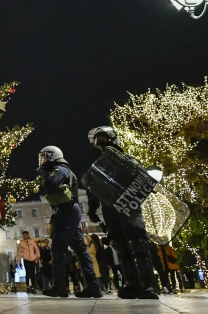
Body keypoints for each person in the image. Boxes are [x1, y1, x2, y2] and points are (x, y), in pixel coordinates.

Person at [86, 127, 159, 299]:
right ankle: (131, 283)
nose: (98, 144)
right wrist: (92, 209)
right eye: (96, 140)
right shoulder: (99, 165)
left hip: (129, 207)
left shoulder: (127, 159)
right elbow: (93, 187)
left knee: (138, 244)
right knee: (120, 246)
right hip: (110, 210)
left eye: (101, 139)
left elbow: (141, 178)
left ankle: (147, 285)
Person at [37, 145, 102, 298]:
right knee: (79, 249)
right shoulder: (64, 170)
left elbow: (50, 185)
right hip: (70, 211)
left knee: (58, 249)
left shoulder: (60, 170)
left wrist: (44, 176)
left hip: (66, 211)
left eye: (44, 157)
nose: (42, 161)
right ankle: (92, 286)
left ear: (52, 156)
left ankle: (60, 287)